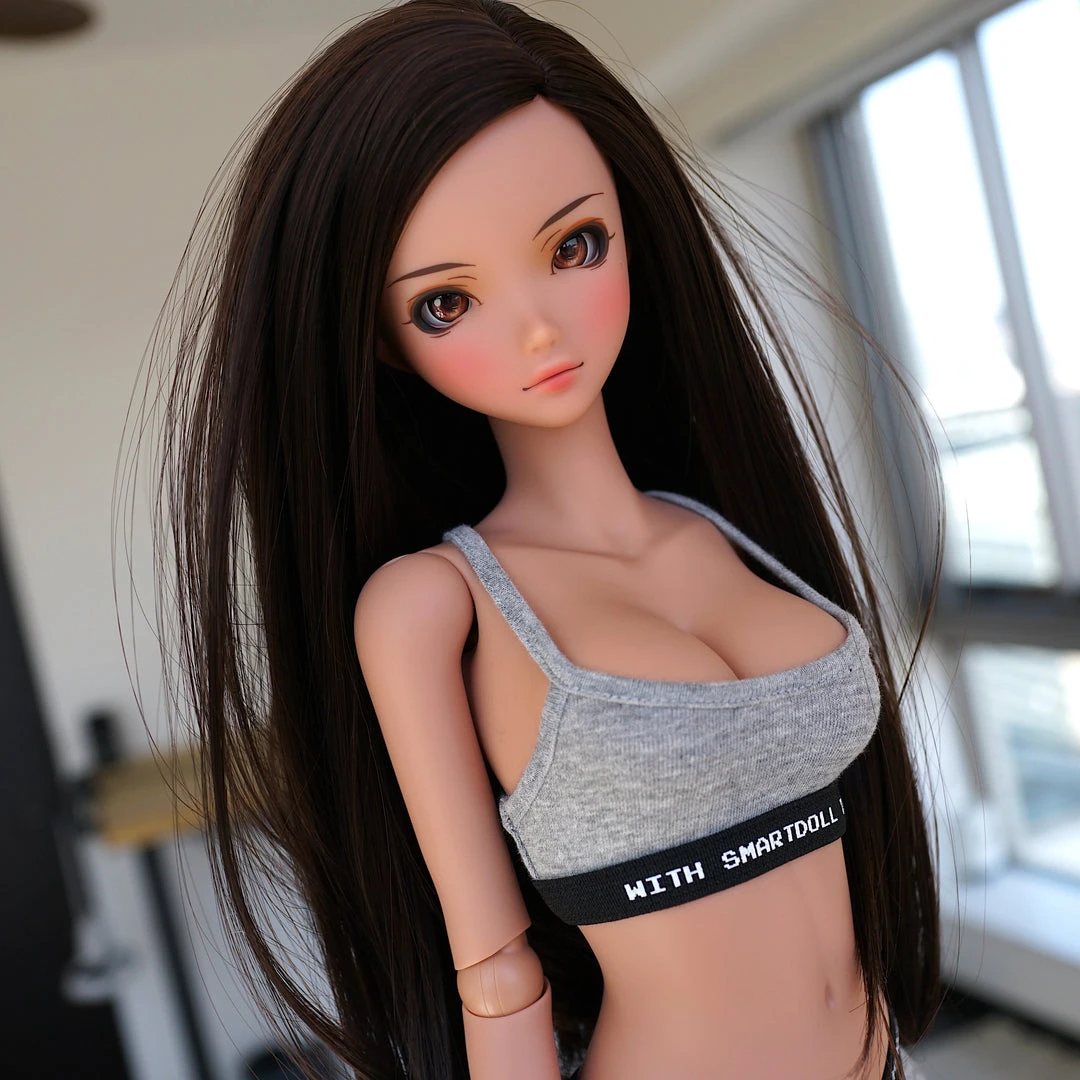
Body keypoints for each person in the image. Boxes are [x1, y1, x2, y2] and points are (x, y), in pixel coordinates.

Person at [137, 1, 942, 1076]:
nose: (536, 329)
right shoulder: (436, 605)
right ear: (381, 343)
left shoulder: (722, 528)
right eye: (445, 303)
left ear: (631, 227)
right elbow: (498, 974)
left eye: (574, 246)